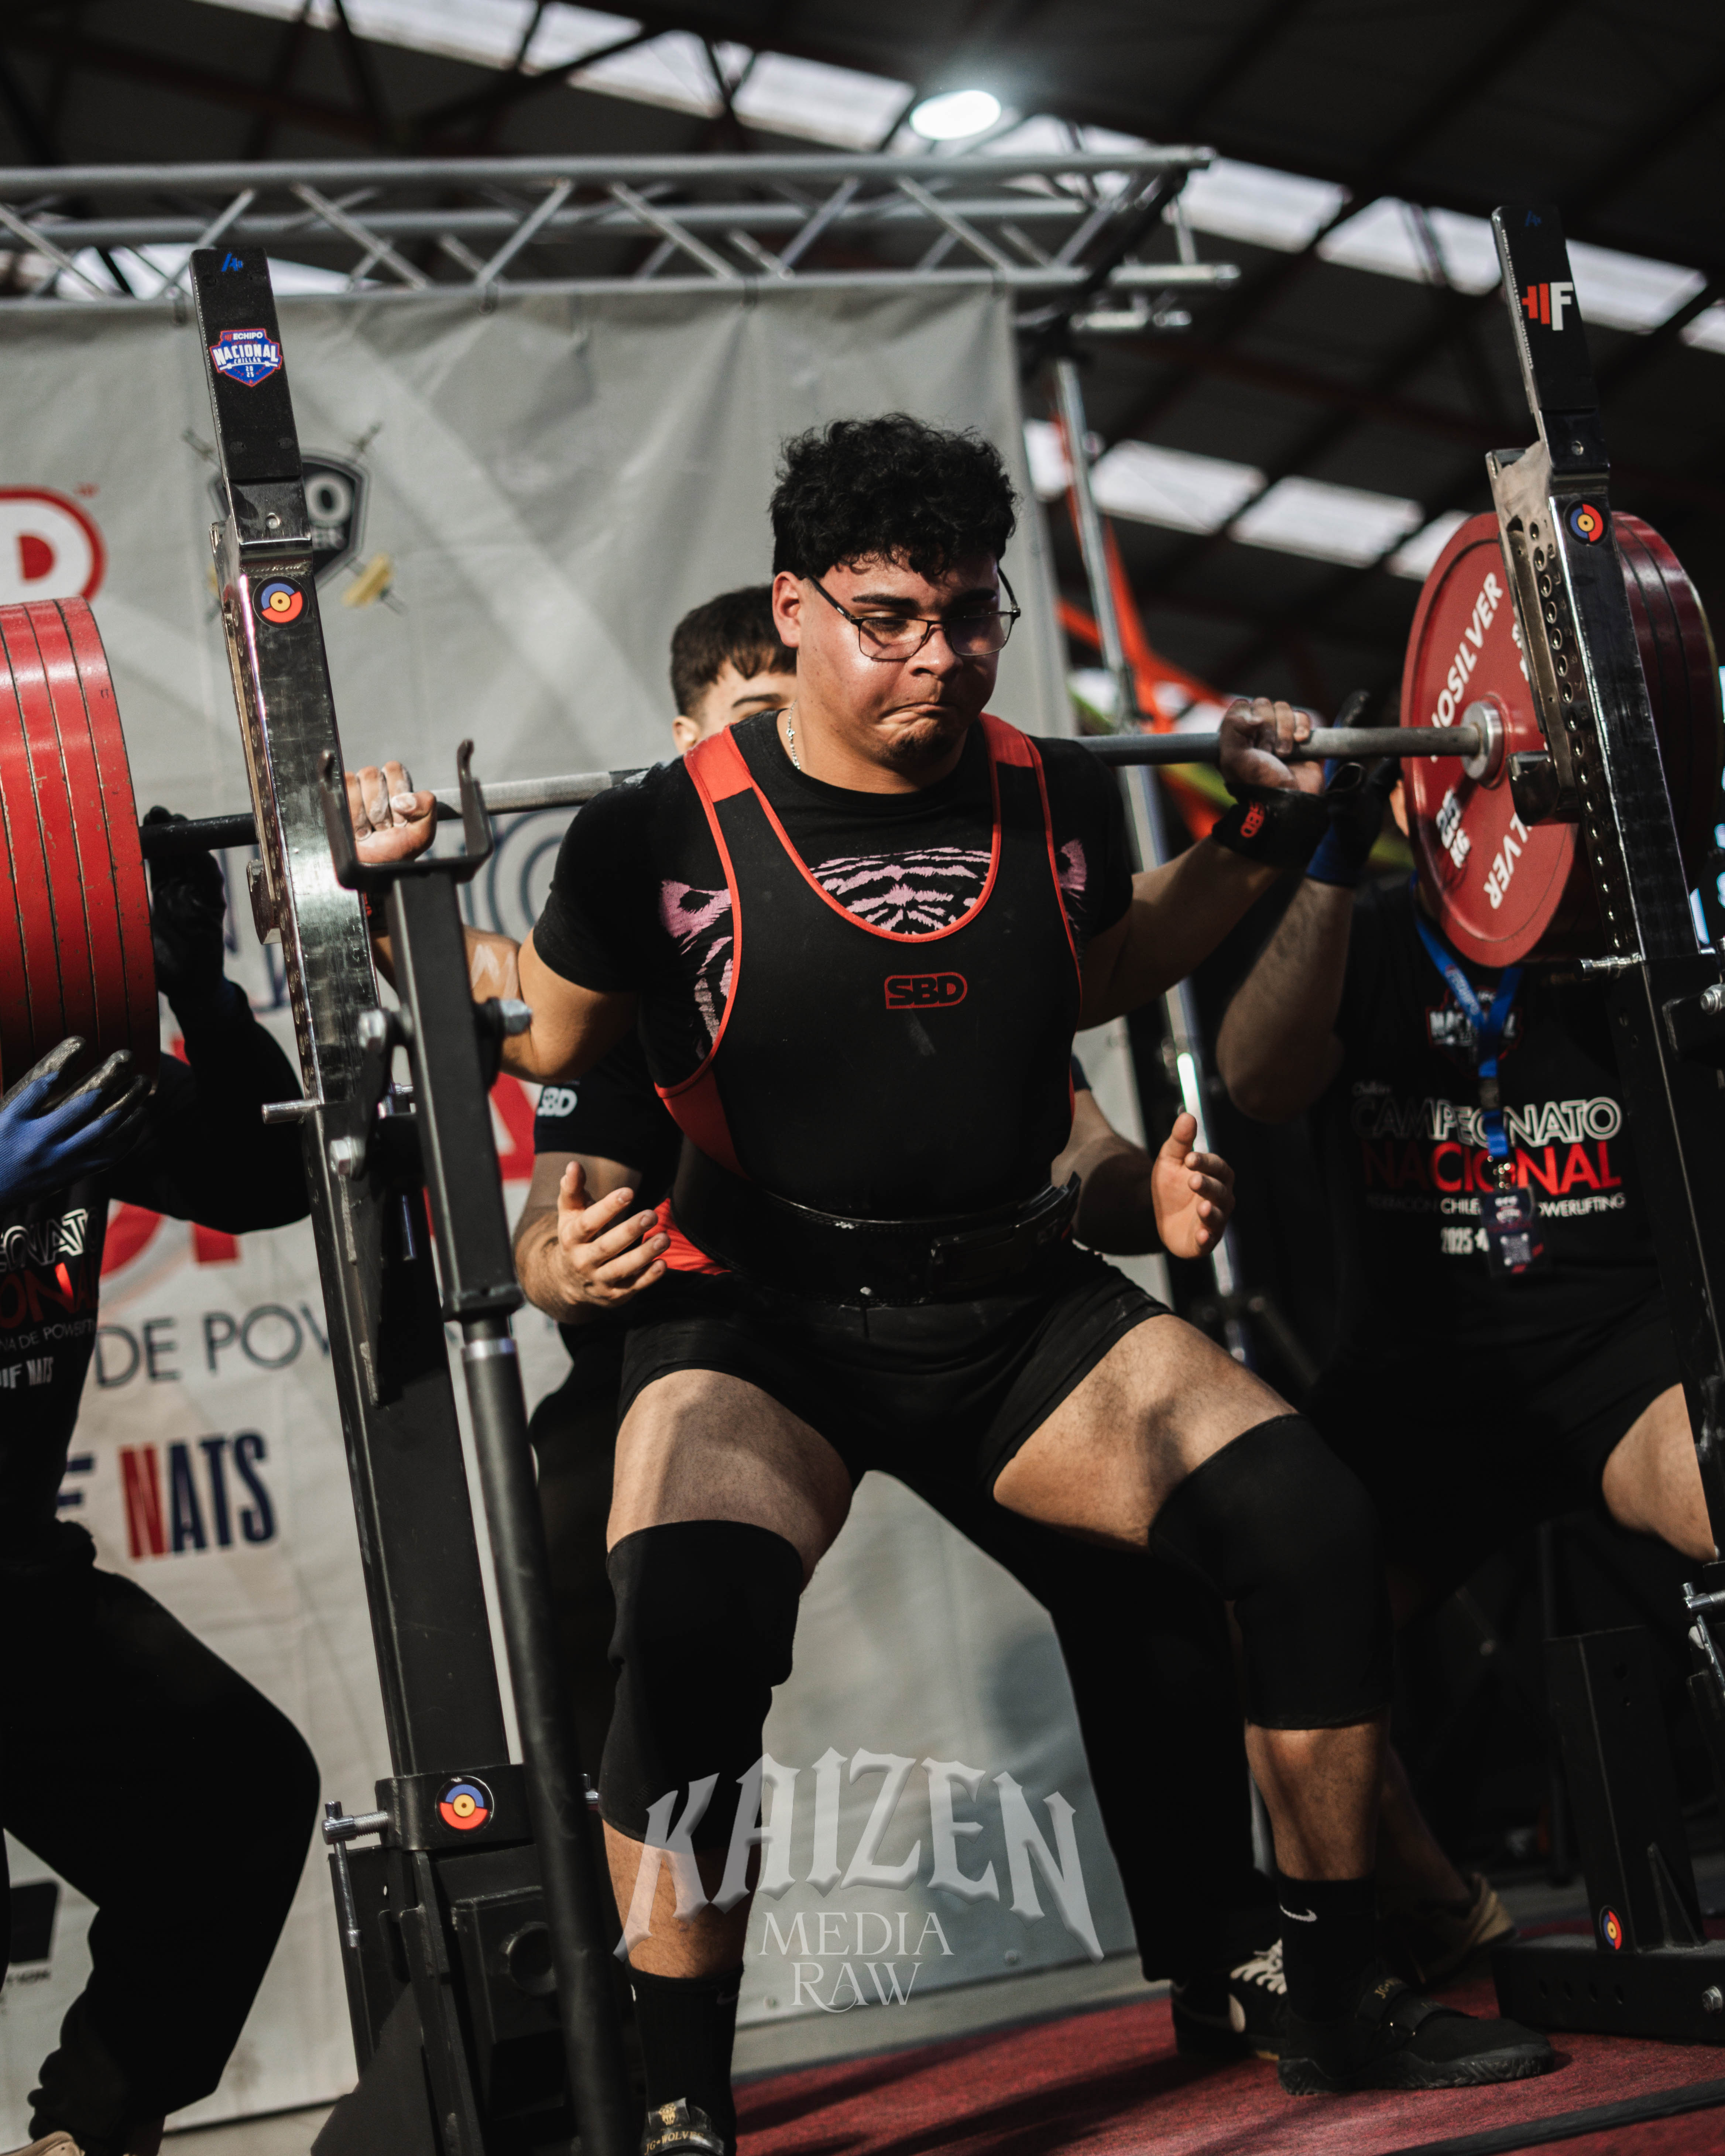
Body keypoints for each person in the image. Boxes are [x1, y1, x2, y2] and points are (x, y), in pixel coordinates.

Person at [346, 414, 1551, 2122]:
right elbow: (555, 1037)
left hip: (1011, 1302)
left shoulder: (1044, 786)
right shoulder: (647, 842)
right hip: (764, 1317)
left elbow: (1109, 960)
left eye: (968, 614)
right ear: (799, 606)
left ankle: (1331, 1979)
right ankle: (682, 2104)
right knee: (686, 1628)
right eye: (889, 616)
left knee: (1307, 1520)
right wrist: (405, 905)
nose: (938, 653)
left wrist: (1265, 834)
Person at [519, 584, 1284, 2056]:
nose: (797, 765)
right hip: (701, 1342)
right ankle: (647, 2056)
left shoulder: (929, 929)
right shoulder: (651, 930)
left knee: (1150, 1581)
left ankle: (1228, 1956)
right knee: (646, 1645)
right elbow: (554, 1210)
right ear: (688, 745)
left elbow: (1076, 1159)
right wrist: (568, 1262)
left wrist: (1154, 1198)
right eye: (757, 730)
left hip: (953, 1326)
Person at [1215, 753, 1715, 1977]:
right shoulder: (1369, 938)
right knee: (1272, 1602)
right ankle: (1440, 1912)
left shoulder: (1621, 932)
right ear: (1407, 803)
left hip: (1618, 1361)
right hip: (1420, 1380)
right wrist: (1329, 861)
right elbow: (1257, 1077)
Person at [0, 816, 319, 2156]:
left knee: (235, 1796)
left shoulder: (52, 1070)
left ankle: (86, 2136)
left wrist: (198, 984)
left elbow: (268, 1180)